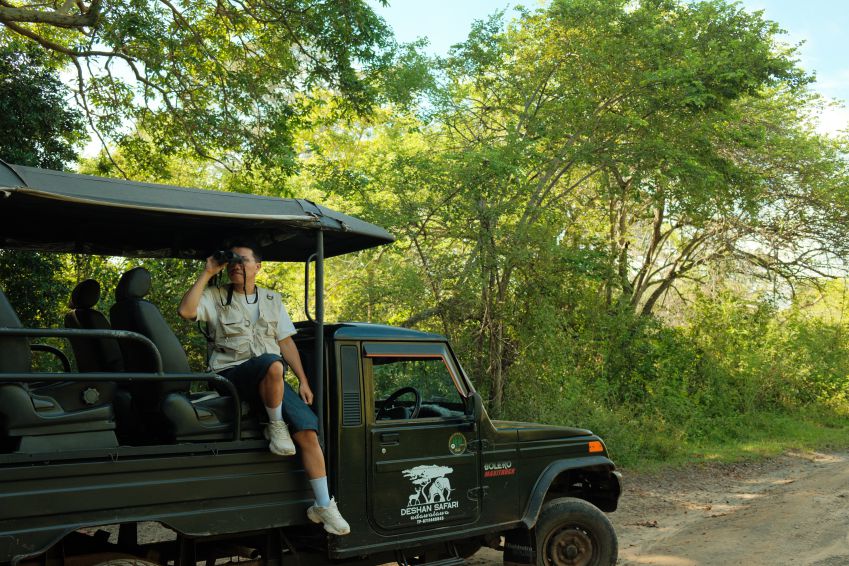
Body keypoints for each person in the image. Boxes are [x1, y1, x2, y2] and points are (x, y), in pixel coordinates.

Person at [178, 242, 350, 536]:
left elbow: (285, 341)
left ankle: (323, 505)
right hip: (232, 375)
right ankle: (276, 426)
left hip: (271, 378)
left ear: (258, 266)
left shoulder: (271, 299)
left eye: (243, 260)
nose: (236, 265)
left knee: (308, 431)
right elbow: (186, 311)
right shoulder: (216, 296)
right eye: (232, 261)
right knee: (272, 364)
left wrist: (303, 381)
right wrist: (207, 273)